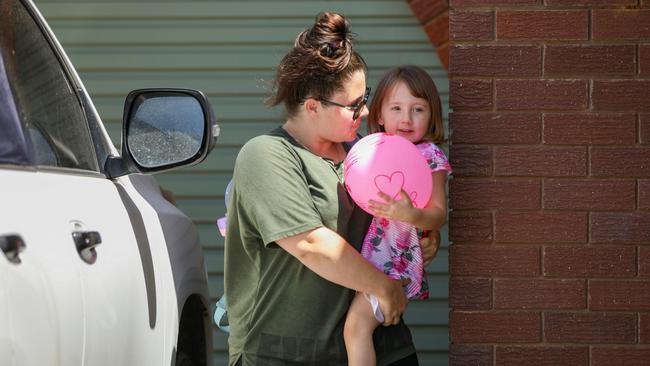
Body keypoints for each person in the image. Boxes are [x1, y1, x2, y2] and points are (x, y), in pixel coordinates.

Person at [223, 13, 435, 366]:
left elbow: (408, 213)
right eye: (353, 105)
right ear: (312, 107)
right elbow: (312, 244)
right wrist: (384, 287)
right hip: (288, 355)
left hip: (385, 349)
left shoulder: (367, 152)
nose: (366, 111)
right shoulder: (266, 155)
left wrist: (423, 235)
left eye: (364, 97)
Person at [343, 65, 452, 366]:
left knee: (356, 327)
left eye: (418, 109)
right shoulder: (370, 152)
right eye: (396, 108)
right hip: (370, 258)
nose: (406, 118)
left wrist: (411, 214)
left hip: (395, 260)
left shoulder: (430, 157)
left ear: (432, 116)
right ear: (379, 114)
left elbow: (438, 214)